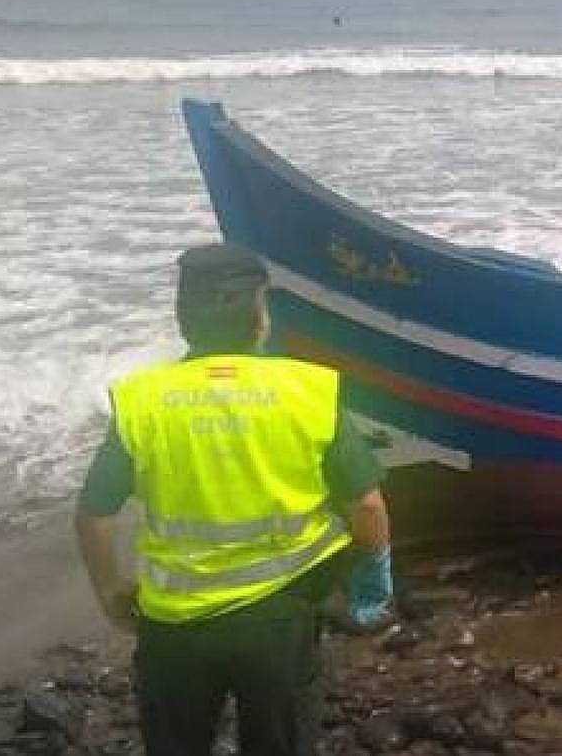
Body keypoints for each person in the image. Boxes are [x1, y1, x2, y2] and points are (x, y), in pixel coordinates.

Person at [75, 244, 393, 756]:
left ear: (184, 319)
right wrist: (372, 577)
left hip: (174, 626)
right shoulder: (308, 390)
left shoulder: (142, 399)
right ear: (258, 318)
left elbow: (94, 515)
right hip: (280, 619)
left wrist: (112, 590)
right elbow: (368, 507)